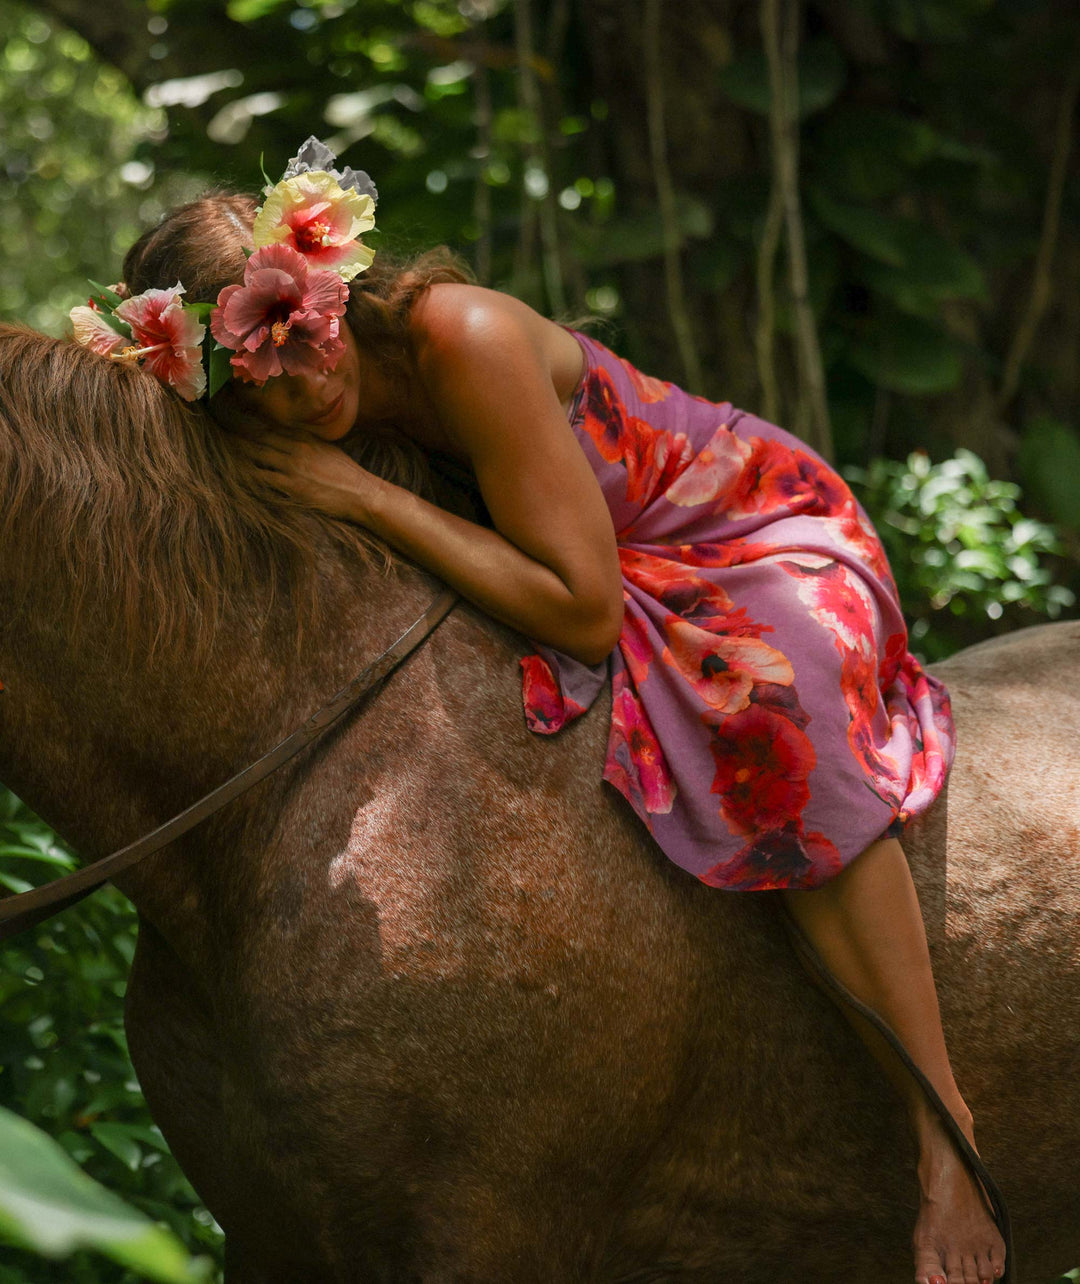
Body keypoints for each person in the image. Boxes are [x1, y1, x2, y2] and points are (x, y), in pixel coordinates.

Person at [104, 154, 1002, 1284]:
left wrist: (364, 497)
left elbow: (581, 615)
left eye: (305, 341)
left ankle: (944, 1132)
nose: (299, 393)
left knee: (773, 714)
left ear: (329, 287)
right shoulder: (265, 422)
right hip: (595, 561)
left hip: (739, 532)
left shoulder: (462, 337)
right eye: (256, 383)